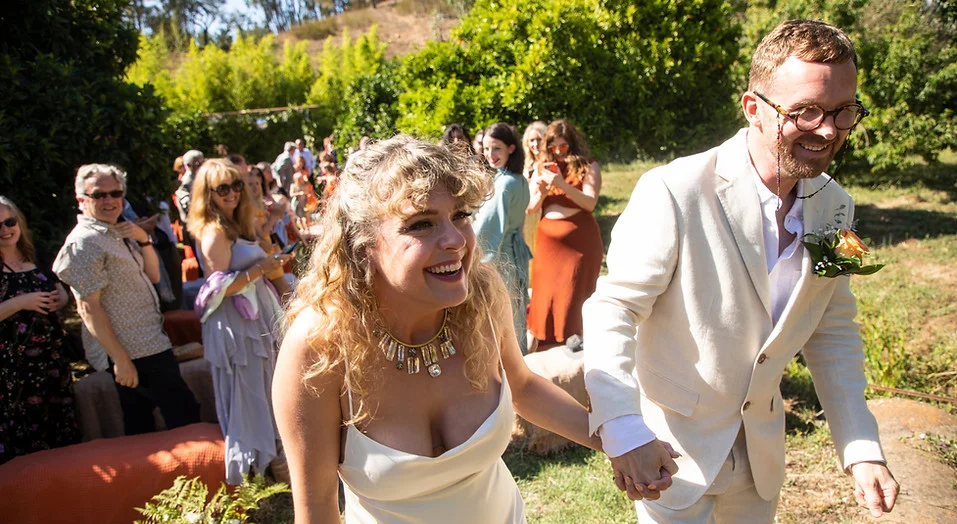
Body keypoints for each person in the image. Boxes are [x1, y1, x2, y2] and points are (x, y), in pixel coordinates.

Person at [583, 19, 899, 523]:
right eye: (806, 111)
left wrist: (860, 446)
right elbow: (613, 309)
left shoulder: (838, 206)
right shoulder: (673, 190)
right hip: (669, 454)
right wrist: (623, 428)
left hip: (760, 461)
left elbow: (833, 327)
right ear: (753, 107)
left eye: (844, 111)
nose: (828, 130)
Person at [272, 135, 600, 523]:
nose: (456, 240)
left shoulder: (481, 296)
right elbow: (317, 514)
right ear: (364, 246)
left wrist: (620, 442)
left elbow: (523, 386)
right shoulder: (319, 347)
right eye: (421, 224)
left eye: (460, 215)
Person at [54, 164, 199, 436]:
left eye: (115, 193)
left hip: (150, 340)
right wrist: (120, 359)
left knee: (158, 419)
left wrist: (143, 239)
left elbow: (154, 276)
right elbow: (87, 308)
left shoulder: (116, 230)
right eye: (99, 195)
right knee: (178, 417)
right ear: (82, 200)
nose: (109, 200)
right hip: (131, 350)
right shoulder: (84, 241)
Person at [188, 159, 293, 485]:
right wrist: (263, 268)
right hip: (236, 322)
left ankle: (274, 456)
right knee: (250, 390)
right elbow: (218, 286)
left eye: (236, 185)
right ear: (208, 193)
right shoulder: (214, 231)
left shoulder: (237, 223)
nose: (232, 193)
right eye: (222, 188)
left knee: (264, 383)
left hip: (253, 316)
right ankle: (262, 464)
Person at [0, 196, 81, 464]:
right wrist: (20, 303)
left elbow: (59, 289)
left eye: (10, 222)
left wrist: (62, 298)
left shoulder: (36, 254)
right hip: (12, 367)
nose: (5, 230)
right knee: (23, 429)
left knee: (59, 421)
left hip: (51, 358)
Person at [526, 119, 603, 350]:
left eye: (563, 146)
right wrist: (542, 192)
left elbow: (589, 203)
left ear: (573, 144)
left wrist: (561, 183)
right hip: (549, 247)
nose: (558, 151)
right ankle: (544, 350)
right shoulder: (542, 167)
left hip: (580, 244)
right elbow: (531, 208)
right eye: (553, 147)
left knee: (573, 298)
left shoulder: (588, 166)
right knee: (545, 300)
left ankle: (577, 349)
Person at [474, 122, 533, 354]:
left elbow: (485, 230)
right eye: (486, 149)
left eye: (497, 148)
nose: (490, 154)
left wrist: (476, 263)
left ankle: (506, 366)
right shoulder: (518, 179)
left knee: (500, 315)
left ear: (511, 148)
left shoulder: (505, 184)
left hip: (500, 258)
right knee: (514, 313)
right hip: (514, 255)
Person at [174, 149, 204, 225]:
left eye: (203, 162)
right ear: (189, 165)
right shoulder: (185, 183)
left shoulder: (200, 178)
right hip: (192, 225)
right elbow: (189, 206)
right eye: (198, 164)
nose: (202, 166)